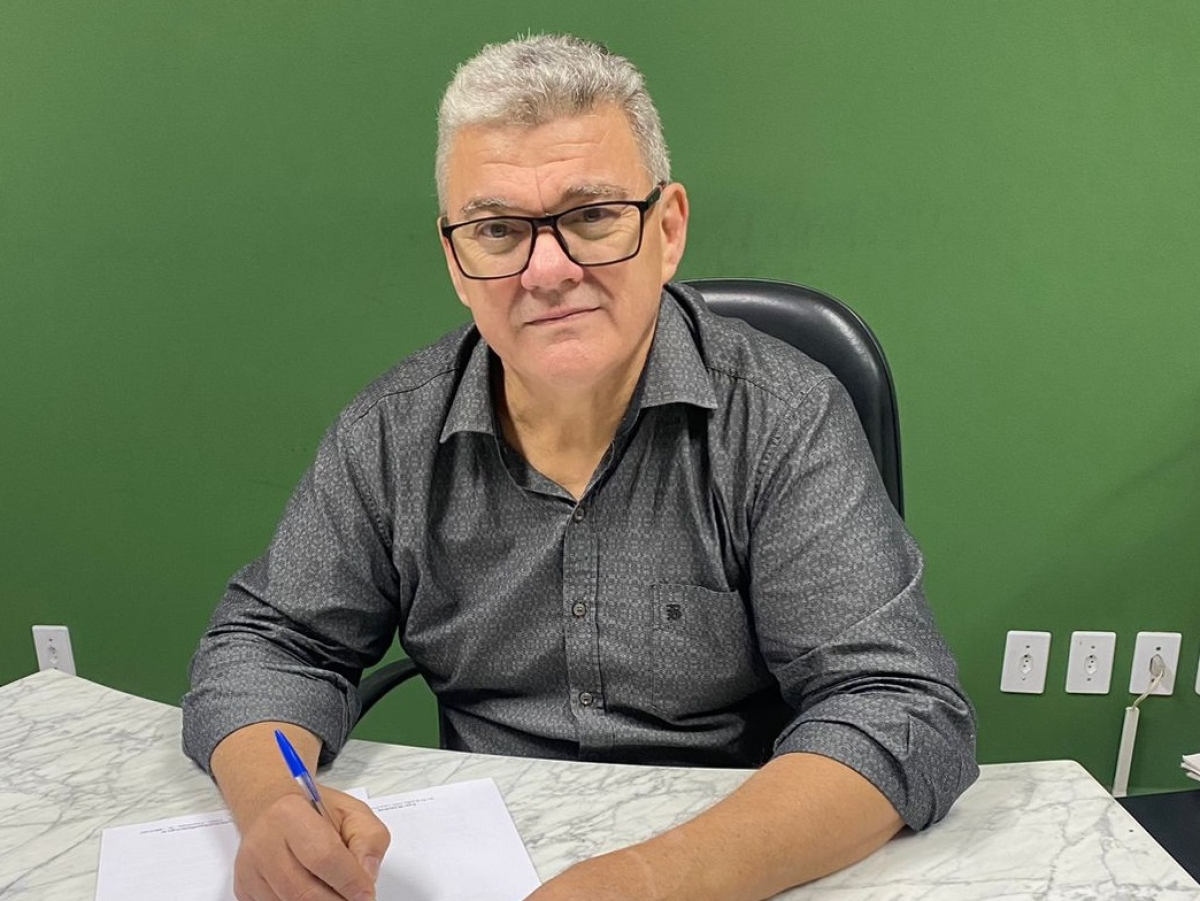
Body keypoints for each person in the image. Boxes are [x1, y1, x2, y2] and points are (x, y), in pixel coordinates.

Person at [183, 33, 977, 901]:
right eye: (497, 230)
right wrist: (273, 804)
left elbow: (898, 706)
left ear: (666, 229)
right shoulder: (389, 434)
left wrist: (641, 882)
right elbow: (269, 644)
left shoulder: (783, 417)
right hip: (475, 859)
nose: (549, 271)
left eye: (593, 216)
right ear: (456, 260)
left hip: (733, 855)